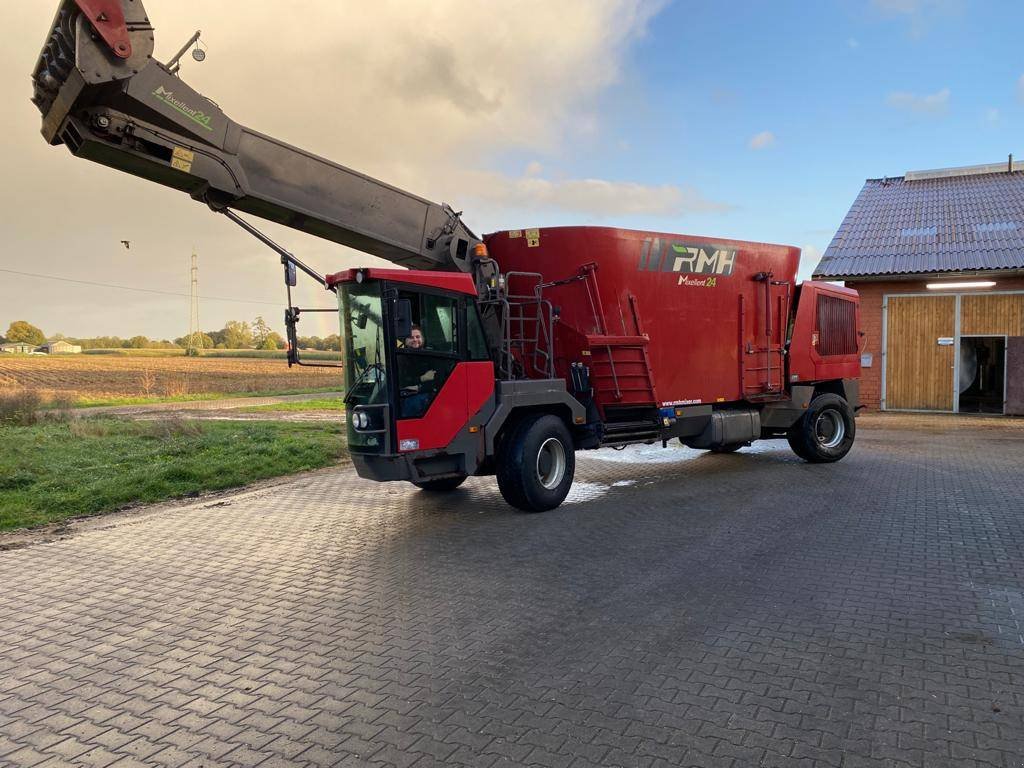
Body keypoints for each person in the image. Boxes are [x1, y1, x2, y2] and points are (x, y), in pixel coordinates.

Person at [399, 325, 436, 417]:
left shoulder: (431, 355)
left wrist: (419, 387)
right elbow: (401, 381)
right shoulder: (400, 358)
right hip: (407, 395)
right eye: (411, 337)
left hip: (425, 394)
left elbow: (437, 380)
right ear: (405, 341)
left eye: (418, 337)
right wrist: (422, 378)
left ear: (422, 339)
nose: (415, 340)